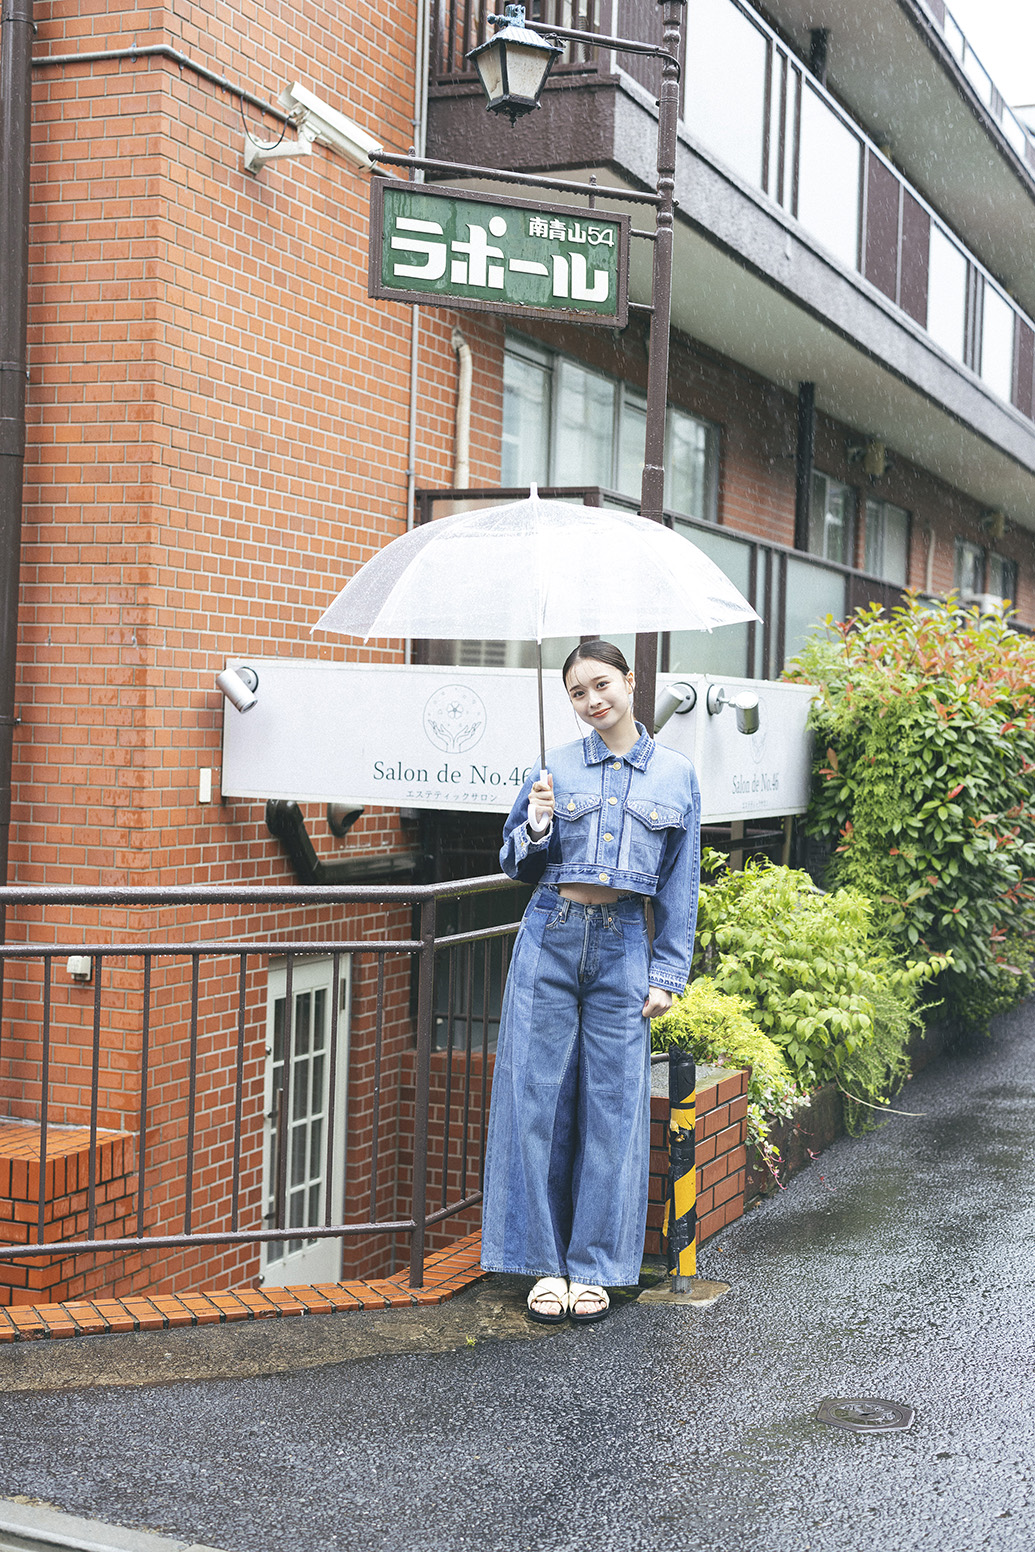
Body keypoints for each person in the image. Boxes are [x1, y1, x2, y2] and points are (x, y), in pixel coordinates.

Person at [480, 640, 701, 1324]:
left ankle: (597, 1267)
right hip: (549, 935)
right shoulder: (551, 769)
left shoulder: (675, 775)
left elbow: (680, 883)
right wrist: (539, 822)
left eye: (600, 685)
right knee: (534, 1100)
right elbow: (515, 860)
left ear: (629, 682)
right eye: (577, 693)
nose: (590, 701)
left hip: (621, 946)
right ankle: (542, 1265)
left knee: (615, 1107)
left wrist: (667, 972)